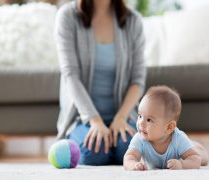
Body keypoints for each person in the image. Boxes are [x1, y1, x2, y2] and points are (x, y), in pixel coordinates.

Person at [54, 0, 146, 165]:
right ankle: (86, 140)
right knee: (94, 153)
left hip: (122, 117)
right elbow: (70, 75)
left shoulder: (133, 20)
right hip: (83, 118)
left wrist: (121, 117)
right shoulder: (67, 16)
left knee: (128, 149)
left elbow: (137, 79)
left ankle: (113, 146)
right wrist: (95, 120)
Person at [124, 86, 209, 170]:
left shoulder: (178, 139)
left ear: (169, 127)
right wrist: (133, 165)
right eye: (140, 116)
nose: (141, 123)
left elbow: (196, 159)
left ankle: (194, 145)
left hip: (184, 147)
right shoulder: (140, 138)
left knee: (203, 159)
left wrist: (182, 164)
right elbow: (129, 157)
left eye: (149, 120)